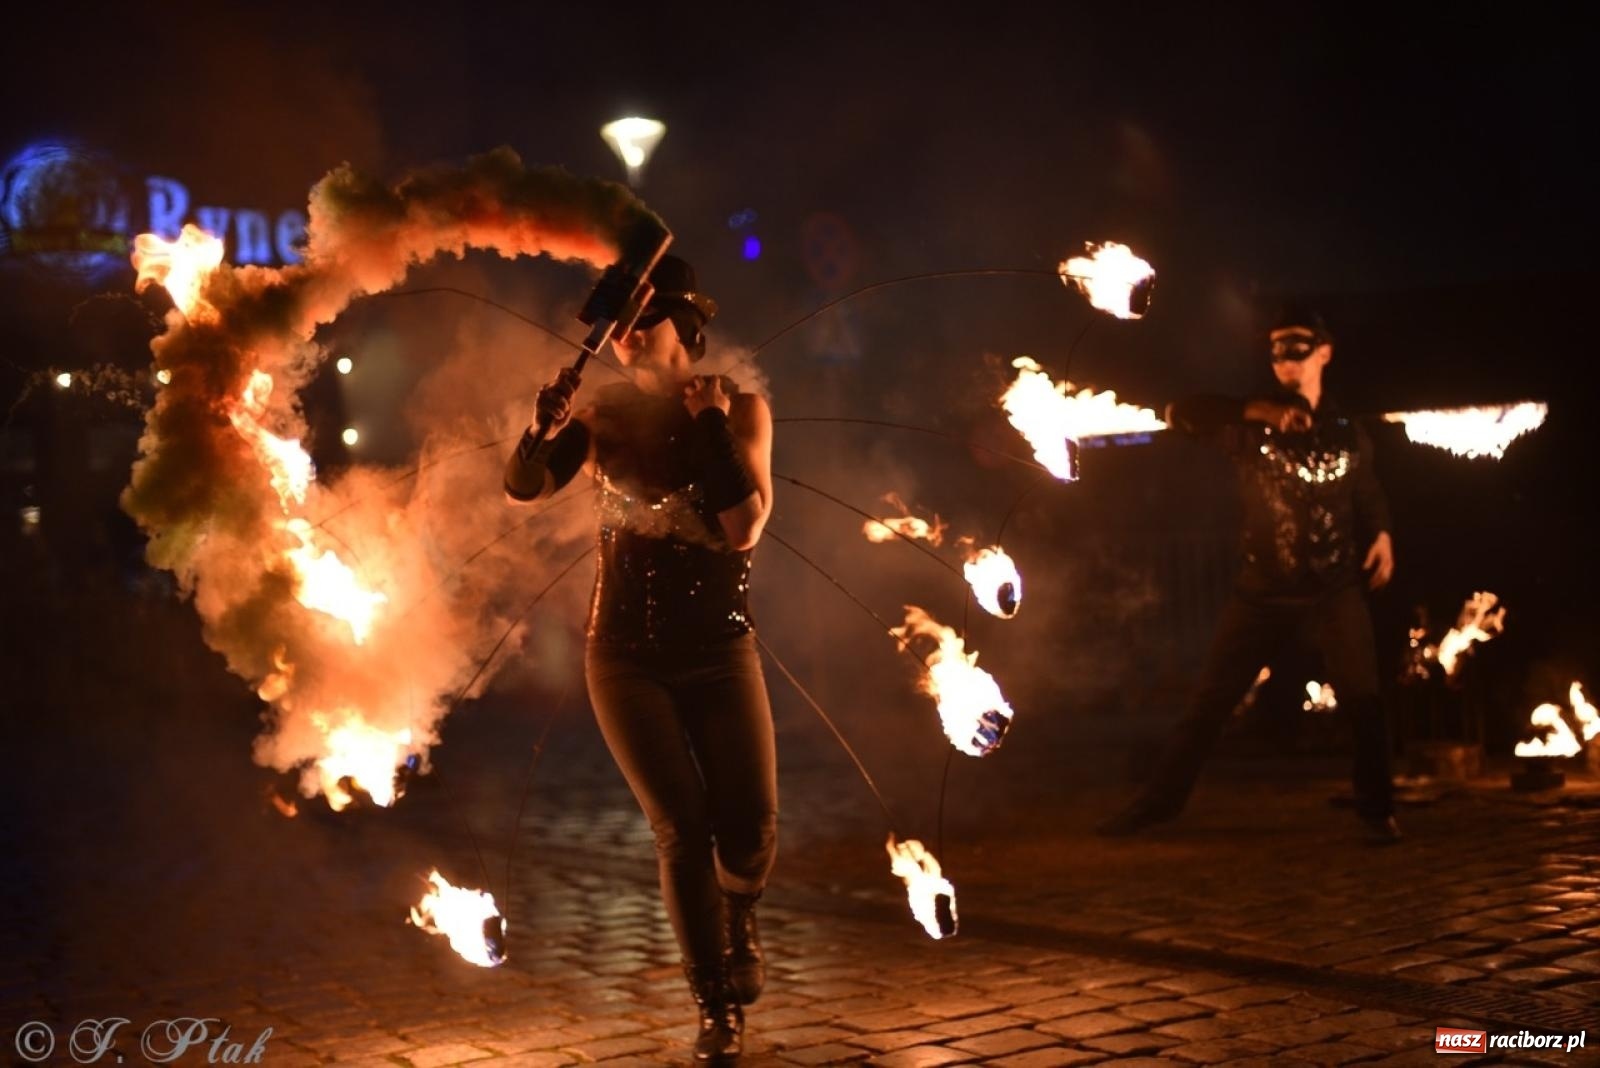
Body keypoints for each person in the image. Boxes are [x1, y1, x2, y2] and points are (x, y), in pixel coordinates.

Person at [504, 255, 777, 1062]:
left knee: (751, 828)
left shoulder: (744, 411)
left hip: (722, 649)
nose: (625, 334)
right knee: (682, 831)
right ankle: (714, 1005)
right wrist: (541, 431)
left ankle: (741, 911)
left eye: (643, 319)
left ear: (685, 329)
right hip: (624, 657)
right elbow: (523, 488)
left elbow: (744, 527)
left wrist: (708, 424)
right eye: (619, 324)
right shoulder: (604, 418)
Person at [1097, 305, 1401, 843]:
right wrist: (1260, 412)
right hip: (1263, 591)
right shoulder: (1246, 427)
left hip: (1334, 587)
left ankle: (1376, 810)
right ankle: (1157, 805)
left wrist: (1381, 533)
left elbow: (1366, 489)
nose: (1283, 358)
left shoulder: (1347, 430)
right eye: (1275, 350)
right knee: (1210, 702)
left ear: (1324, 352)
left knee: (1364, 698)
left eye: (1296, 347)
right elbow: (1181, 412)